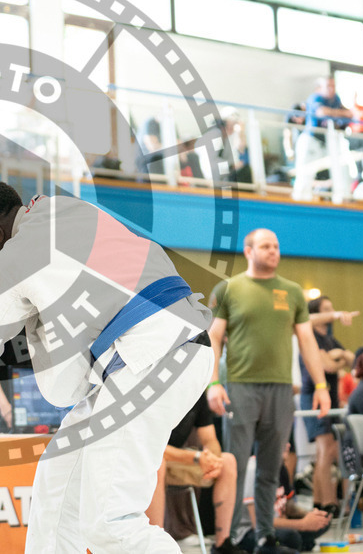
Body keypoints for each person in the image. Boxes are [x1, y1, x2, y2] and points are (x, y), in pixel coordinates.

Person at [0, 181, 217, 553]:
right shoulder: (62, 212)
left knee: (110, 524)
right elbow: (1, 284)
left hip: (152, 355)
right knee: (57, 482)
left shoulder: (20, 256)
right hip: (170, 346)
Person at [207, 229, 331, 554]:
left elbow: (307, 341)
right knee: (234, 466)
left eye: (276, 246)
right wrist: (213, 383)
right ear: (249, 251)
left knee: (270, 468)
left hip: (280, 391)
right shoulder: (229, 289)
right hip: (240, 388)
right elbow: (214, 337)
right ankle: (228, 541)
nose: (273, 251)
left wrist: (321, 385)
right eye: (265, 246)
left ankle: (265, 538)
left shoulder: (291, 292)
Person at [145, 393, 242, 554]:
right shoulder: (156, 392)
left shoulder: (197, 392)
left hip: (181, 461)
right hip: (153, 459)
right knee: (158, 464)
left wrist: (214, 460)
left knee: (227, 461)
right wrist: (195, 457)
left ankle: (222, 544)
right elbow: (152, 446)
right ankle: (155, 547)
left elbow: (210, 439)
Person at [300, 296, 354, 516]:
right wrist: (337, 359)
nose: (332, 314)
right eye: (327, 310)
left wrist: (339, 355)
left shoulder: (331, 340)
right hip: (313, 397)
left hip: (330, 399)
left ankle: (319, 502)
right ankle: (329, 502)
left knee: (326, 451)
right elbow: (328, 366)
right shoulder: (310, 336)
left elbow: (351, 359)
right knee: (327, 449)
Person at [235, 456, 331, 552]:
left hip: (276, 524)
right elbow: (257, 523)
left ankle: (294, 544)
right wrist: (302, 524)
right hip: (250, 531)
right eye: (284, 442)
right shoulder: (253, 469)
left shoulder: (280, 467)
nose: (288, 445)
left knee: (323, 519)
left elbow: (289, 508)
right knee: (291, 536)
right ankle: (293, 544)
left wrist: (311, 515)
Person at [292, 77, 353, 201]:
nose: (331, 89)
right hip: (311, 141)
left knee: (340, 170)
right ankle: (300, 201)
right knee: (305, 176)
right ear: (320, 88)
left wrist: (344, 113)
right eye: (328, 86)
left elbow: (350, 113)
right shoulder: (315, 98)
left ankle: (343, 199)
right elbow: (321, 112)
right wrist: (342, 113)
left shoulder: (336, 99)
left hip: (327, 143)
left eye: (333, 86)